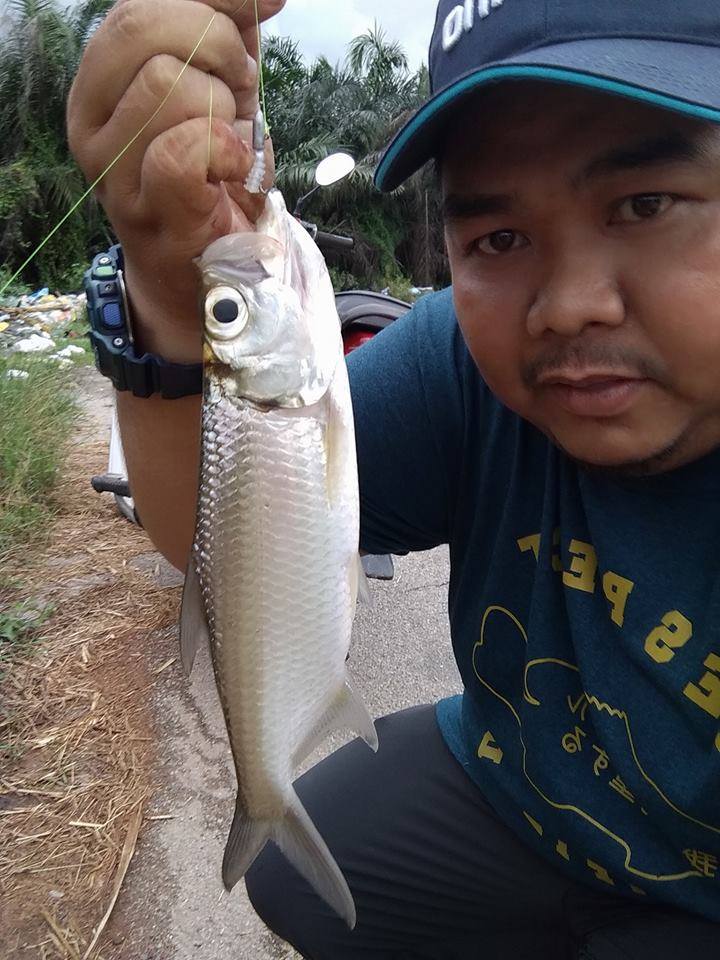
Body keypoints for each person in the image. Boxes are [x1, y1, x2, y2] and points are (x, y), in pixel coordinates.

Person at [67, 0, 720, 956]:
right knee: (294, 870)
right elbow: (224, 537)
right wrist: (166, 296)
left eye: (644, 205)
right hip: (529, 787)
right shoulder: (464, 360)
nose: (571, 306)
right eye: (497, 238)